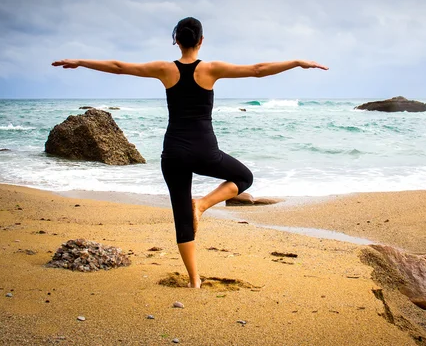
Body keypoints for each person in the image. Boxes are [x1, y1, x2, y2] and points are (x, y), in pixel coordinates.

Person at [52, 16, 328, 288]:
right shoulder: (210, 69)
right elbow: (257, 69)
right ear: (201, 40)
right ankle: (204, 204)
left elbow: (119, 66)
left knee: (182, 218)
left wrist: (80, 62)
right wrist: (296, 62)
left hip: (173, 152)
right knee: (244, 178)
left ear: (177, 41)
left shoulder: (164, 69)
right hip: (205, 152)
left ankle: (195, 280)